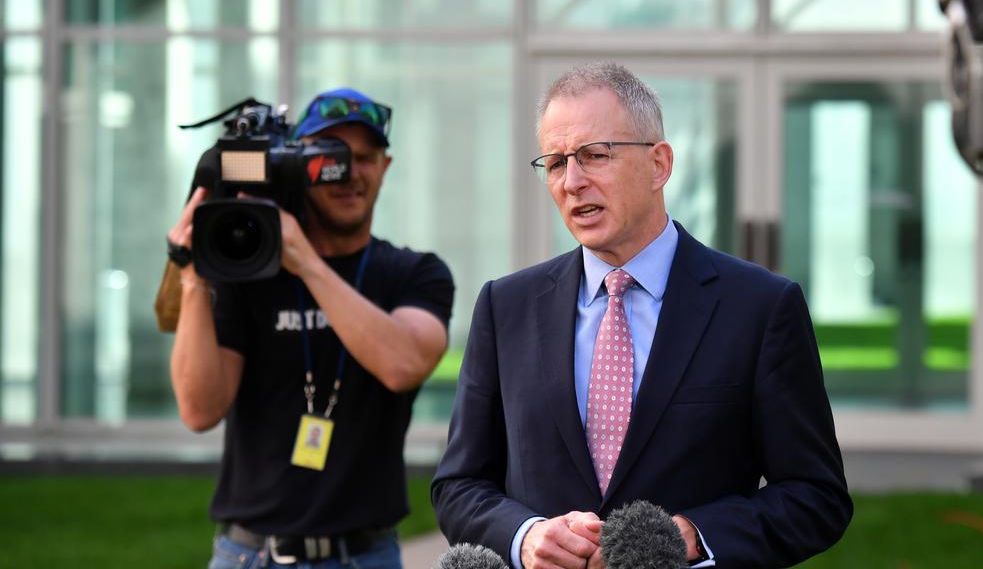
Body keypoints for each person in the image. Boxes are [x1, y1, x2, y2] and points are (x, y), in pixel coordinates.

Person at [432, 63, 851, 568]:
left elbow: (816, 496)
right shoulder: (506, 306)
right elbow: (459, 484)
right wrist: (525, 537)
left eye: (594, 155)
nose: (572, 181)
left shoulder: (760, 307)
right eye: (557, 162)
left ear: (659, 165)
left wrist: (689, 538)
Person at [167, 87, 455, 568]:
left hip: (364, 555)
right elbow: (199, 410)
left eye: (364, 158)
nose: (349, 174)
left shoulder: (414, 273)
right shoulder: (251, 274)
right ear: (297, 169)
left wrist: (304, 262)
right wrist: (195, 277)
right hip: (247, 554)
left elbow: (403, 365)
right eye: (330, 159)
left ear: (386, 167)